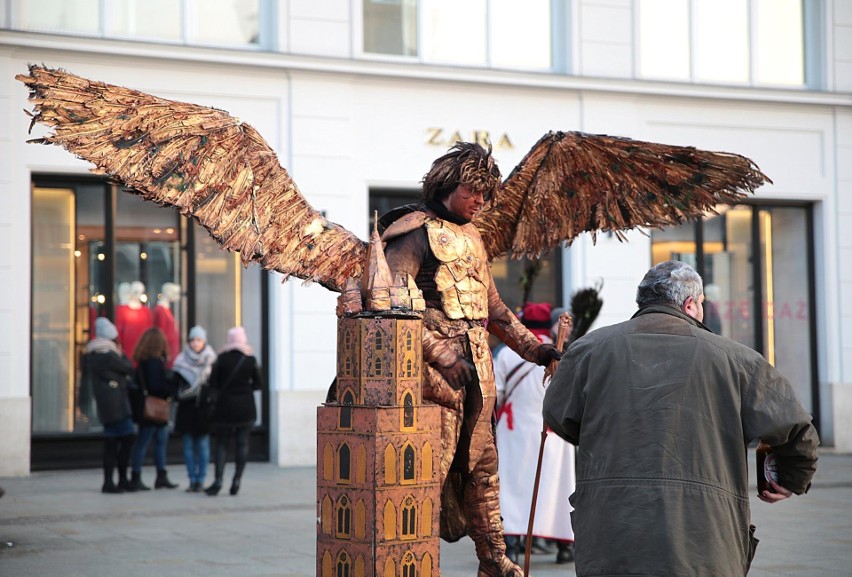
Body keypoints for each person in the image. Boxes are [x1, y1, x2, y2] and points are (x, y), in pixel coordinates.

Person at [543, 260, 819, 577]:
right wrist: (789, 478)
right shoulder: (737, 359)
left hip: (612, 537)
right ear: (690, 304)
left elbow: (558, 415)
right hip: (703, 542)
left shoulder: (588, 351)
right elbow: (796, 429)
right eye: (701, 304)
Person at [381, 142, 560, 577]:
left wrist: (536, 349)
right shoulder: (412, 232)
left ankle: (494, 559)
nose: (479, 202)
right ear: (446, 186)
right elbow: (391, 303)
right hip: (427, 379)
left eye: (485, 194)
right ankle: (411, 562)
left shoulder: (474, 237)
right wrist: (439, 352)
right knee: (425, 472)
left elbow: (494, 310)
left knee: (483, 468)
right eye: (471, 192)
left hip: (478, 373)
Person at [494, 302, 575, 565]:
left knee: (513, 485)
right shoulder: (563, 354)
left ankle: (512, 543)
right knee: (557, 486)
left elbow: (497, 393)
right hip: (553, 430)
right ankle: (564, 545)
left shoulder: (507, 354)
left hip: (514, 430)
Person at [205, 326, 263, 497]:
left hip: (224, 406)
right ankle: (237, 480)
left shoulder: (221, 358)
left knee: (221, 444)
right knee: (242, 443)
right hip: (245, 407)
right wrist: (245, 388)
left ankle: (218, 480)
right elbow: (259, 384)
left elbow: (213, 382)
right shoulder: (250, 359)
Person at [84, 317, 137, 493]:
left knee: (112, 443)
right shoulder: (109, 355)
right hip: (117, 405)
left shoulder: (93, 354)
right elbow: (128, 368)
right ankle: (118, 479)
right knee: (124, 440)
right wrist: (121, 354)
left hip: (106, 404)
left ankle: (112, 480)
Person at [129, 327, 179, 491]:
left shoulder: (142, 362)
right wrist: (171, 386)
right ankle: (147, 476)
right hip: (155, 408)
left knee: (151, 442)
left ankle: (157, 475)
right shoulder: (155, 363)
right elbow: (156, 386)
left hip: (147, 407)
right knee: (151, 442)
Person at [173, 325, 217, 492]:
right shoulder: (180, 360)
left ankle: (201, 479)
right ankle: (192, 479)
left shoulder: (211, 360)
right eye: (192, 340)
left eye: (198, 340)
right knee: (188, 447)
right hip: (186, 409)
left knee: (204, 447)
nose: (195, 343)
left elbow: (215, 385)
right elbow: (174, 384)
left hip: (203, 409)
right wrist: (181, 394)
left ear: (204, 341)